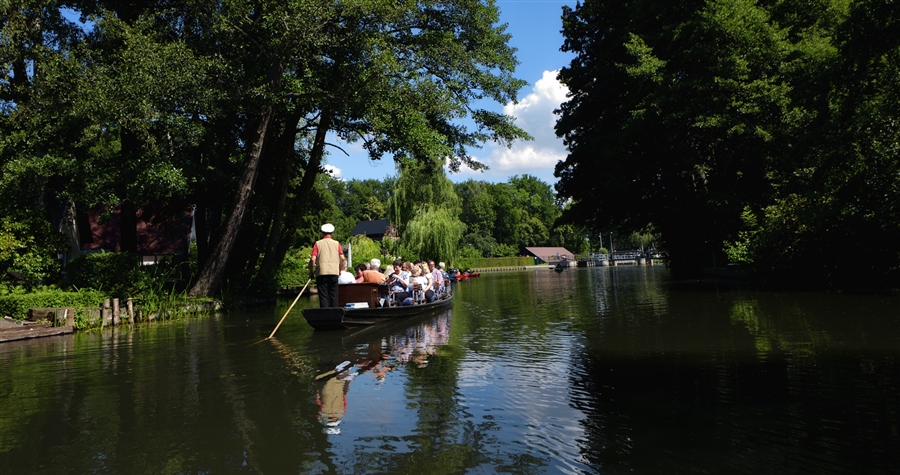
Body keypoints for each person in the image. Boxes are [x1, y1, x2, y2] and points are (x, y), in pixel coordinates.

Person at [310, 223, 345, 307]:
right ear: (332, 233)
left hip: (321, 272)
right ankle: (335, 314)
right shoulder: (337, 243)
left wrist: (311, 272)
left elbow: (312, 259)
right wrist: (339, 270)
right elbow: (342, 258)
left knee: (323, 295)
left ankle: (324, 314)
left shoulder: (317, 244)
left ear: (322, 233)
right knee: (334, 295)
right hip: (334, 272)